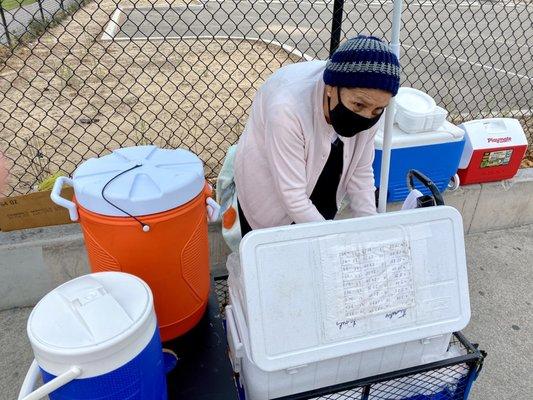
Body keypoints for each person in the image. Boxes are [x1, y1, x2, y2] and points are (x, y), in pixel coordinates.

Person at [232, 35, 401, 236]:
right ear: (331, 88)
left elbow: (360, 172)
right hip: (270, 176)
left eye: (377, 110)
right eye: (358, 105)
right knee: (271, 247)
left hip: (323, 160)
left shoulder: (371, 102)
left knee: (320, 219)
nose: (367, 116)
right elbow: (293, 195)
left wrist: (370, 229)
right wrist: (330, 240)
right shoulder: (287, 109)